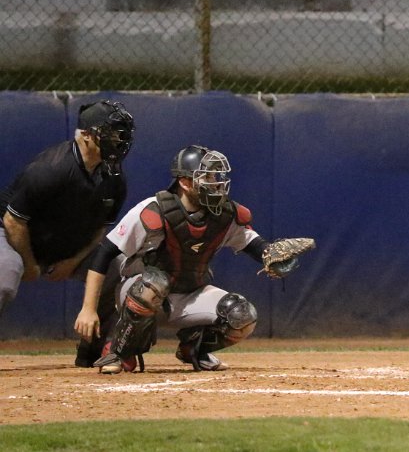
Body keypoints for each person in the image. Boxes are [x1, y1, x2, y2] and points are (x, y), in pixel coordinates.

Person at [74, 145, 275, 374]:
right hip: (141, 292)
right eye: (207, 177)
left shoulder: (224, 214)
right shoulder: (153, 210)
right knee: (154, 282)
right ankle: (120, 351)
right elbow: (104, 254)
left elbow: (254, 245)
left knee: (243, 315)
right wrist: (88, 309)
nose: (215, 183)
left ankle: (193, 349)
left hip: (189, 294)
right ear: (185, 182)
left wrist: (273, 257)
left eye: (215, 176)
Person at [0, 100, 134, 319]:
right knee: (6, 273)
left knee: (118, 270)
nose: (118, 139)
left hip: (59, 244)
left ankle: (100, 338)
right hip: (11, 234)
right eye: (110, 133)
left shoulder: (114, 178)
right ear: (86, 135)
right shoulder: (51, 169)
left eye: (120, 134)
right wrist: (30, 264)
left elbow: (99, 230)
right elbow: (13, 221)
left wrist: (73, 261)